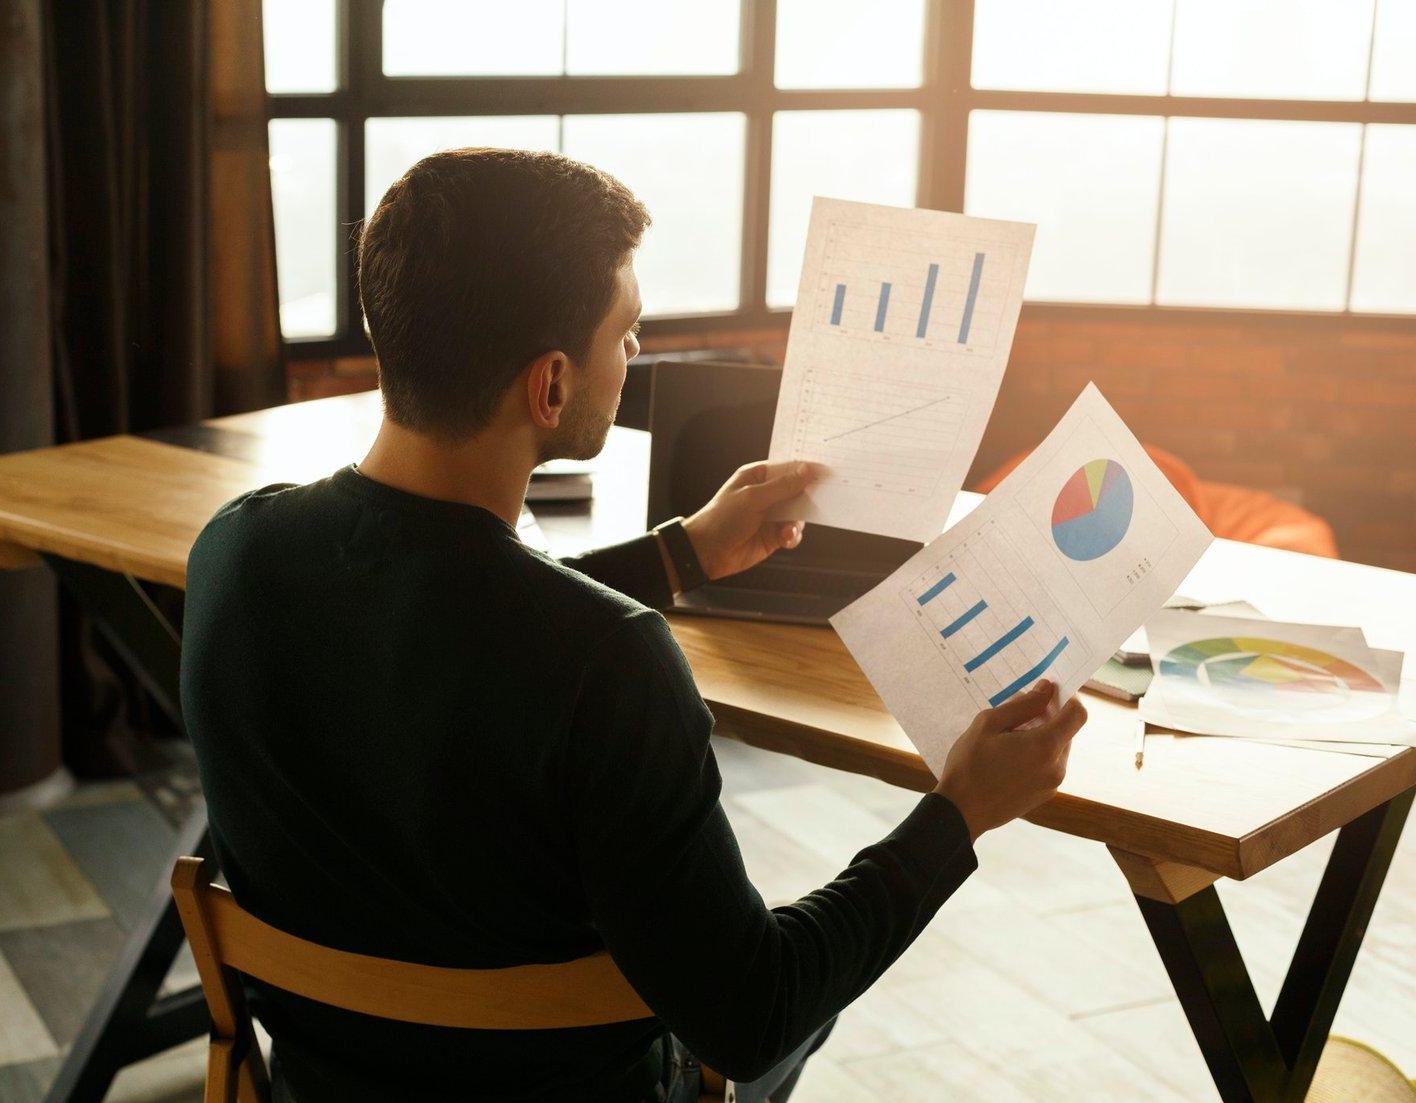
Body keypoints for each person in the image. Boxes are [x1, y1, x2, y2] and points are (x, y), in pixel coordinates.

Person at [181, 148, 1086, 1103]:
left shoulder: (233, 556)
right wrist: (960, 811)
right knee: (808, 993)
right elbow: (753, 1010)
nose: (636, 354)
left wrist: (680, 555)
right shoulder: (611, 663)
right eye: (628, 333)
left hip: (325, 1090)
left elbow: (445, 616)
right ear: (552, 387)